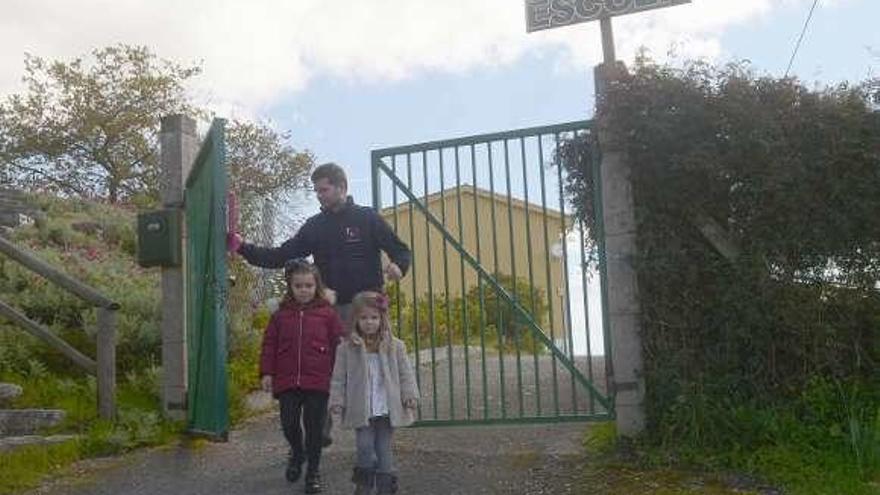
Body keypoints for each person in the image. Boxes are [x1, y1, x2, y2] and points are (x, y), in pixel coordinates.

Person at [230, 162, 411, 446]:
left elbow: (401, 250)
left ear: (341, 187)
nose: (319, 195)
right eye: (316, 191)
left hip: (369, 311)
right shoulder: (315, 227)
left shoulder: (367, 219)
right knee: (328, 369)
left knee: (373, 370)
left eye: (323, 189)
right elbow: (280, 255)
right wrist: (243, 247)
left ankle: (380, 435)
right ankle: (320, 430)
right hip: (332, 310)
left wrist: (399, 266)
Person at [260, 259, 344, 494]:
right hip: (287, 381)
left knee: (314, 429)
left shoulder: (327, 314)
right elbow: (269, 344)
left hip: (318, 381)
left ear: (316, 286)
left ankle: (313, 473)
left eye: (308, 285)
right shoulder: (279, 315)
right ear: (291, 287)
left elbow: (339, 342)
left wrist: (341, 373)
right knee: (288, 424)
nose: (304, 290)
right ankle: (297, 453)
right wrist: (267, 372)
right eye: (299, 286)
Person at [329, 291, 419, 495]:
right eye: (363, 318)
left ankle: (386, 487)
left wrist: (409, 395)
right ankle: (364, 484)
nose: (369, 322)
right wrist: (337, 401)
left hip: (387, 408)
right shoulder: (346, 349)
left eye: (374, 317)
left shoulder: (395, 346)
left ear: (382, 319)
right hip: (362, 410)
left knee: (384, 449)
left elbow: (406, 374)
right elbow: (338, 379)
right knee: (364, 446)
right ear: (355, 320)